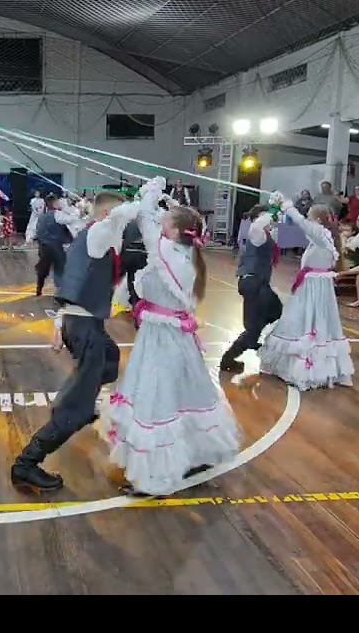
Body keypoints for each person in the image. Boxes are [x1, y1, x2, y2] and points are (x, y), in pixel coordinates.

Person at [99, 179, 241, 495]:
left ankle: (155, 476)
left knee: (157, 398)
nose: (163, 222)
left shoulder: (166, 253)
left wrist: (149, 195)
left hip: (162, 337)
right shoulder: (183, 254)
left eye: (168, 221)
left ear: (176, 232)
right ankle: (195, 452)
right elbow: (152, 224)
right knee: (182, 394)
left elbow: (146, 222)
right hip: (171, 335)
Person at [11, 191, 135, 493]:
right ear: (108, 216)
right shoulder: (99, 233)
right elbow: (120, 219)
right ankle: (27, 463)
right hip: (84, 326)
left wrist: (60, 323)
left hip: (81, 322)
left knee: (110, 357)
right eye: (118, 217)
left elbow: (73, 284)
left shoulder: (96, 237)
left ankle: (80, 398)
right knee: (76, 406)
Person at [258, 196, 353, 390]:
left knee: (305, 322)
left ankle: (307, 369)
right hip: (315, 287)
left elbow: (302, 223)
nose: (307, 219)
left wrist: (288, 206)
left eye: (310, 216)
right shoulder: (322, 236)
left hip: (314, 289)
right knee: (312, 322)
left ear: (317, 220)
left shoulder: (319, 233)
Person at [218, 205, 283, 373]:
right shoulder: (256, 233)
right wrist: (272, 211)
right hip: (253, 283)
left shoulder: (265, 235)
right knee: (270, 312)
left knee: (272, 312)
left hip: (257, 283)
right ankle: (229, 358)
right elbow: (257, 225)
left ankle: (251, 338)